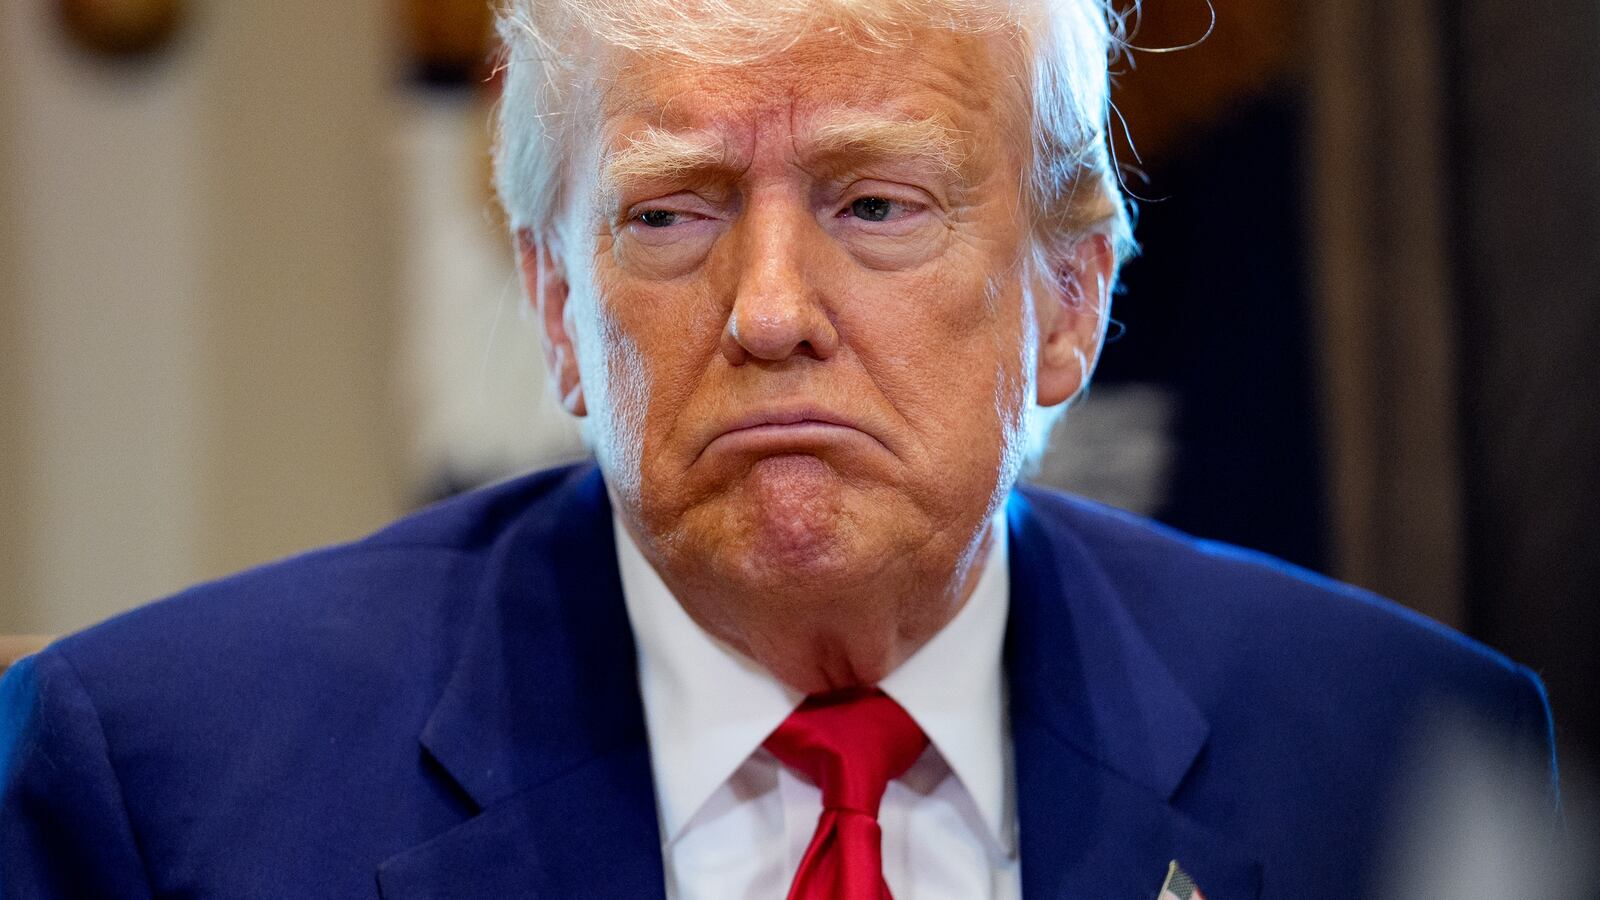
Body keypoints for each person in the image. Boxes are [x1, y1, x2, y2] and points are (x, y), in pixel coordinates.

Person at [0, 0, 1557, 897]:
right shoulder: (161, 788)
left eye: (875, 207)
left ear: (1069, 299)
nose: (767, 312)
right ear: (555, 306)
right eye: (670, 215)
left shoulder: (1399, 750)